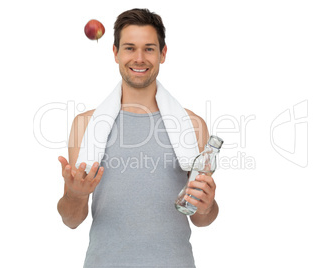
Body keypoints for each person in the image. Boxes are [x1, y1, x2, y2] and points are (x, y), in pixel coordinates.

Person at [57, 8, 219, 267]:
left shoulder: (193, 125)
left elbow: (202, 219)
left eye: (149, 49)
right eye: (130, 48)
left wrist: (207, 205)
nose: (140, 58)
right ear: (115, 53)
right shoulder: (85, 125)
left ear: (163, 54)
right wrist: (75, 194)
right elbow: (71, 220)